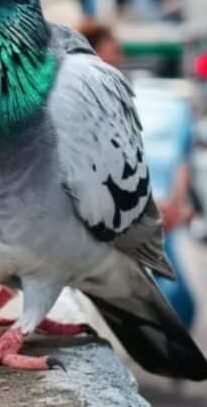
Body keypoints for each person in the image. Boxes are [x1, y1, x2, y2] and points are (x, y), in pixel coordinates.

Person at [79, 19, 196, 329]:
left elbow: (171, 154)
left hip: (144, 206)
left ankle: (164, 345)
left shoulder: (127, 94)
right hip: (118, 212)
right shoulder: (84, 99)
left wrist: (175, 201)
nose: (117, 56)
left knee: (171, 289)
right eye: (111, 50)